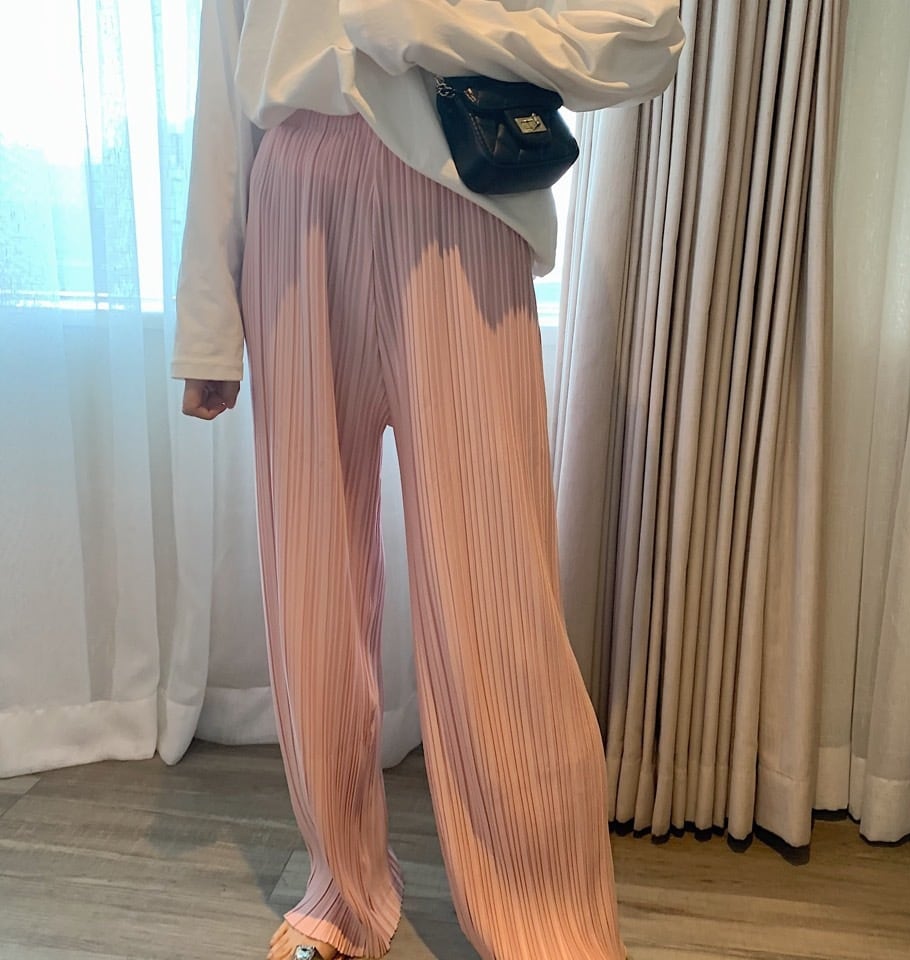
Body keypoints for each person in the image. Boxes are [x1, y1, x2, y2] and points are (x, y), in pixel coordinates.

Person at [172, 2, 684, 959]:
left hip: (459, 200)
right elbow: (223, 78)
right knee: (313, 589)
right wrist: (208, 319)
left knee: (496, 590)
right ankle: (341, 887)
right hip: (293, 202)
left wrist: (413, 21)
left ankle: (548, 921)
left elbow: (641, 34)